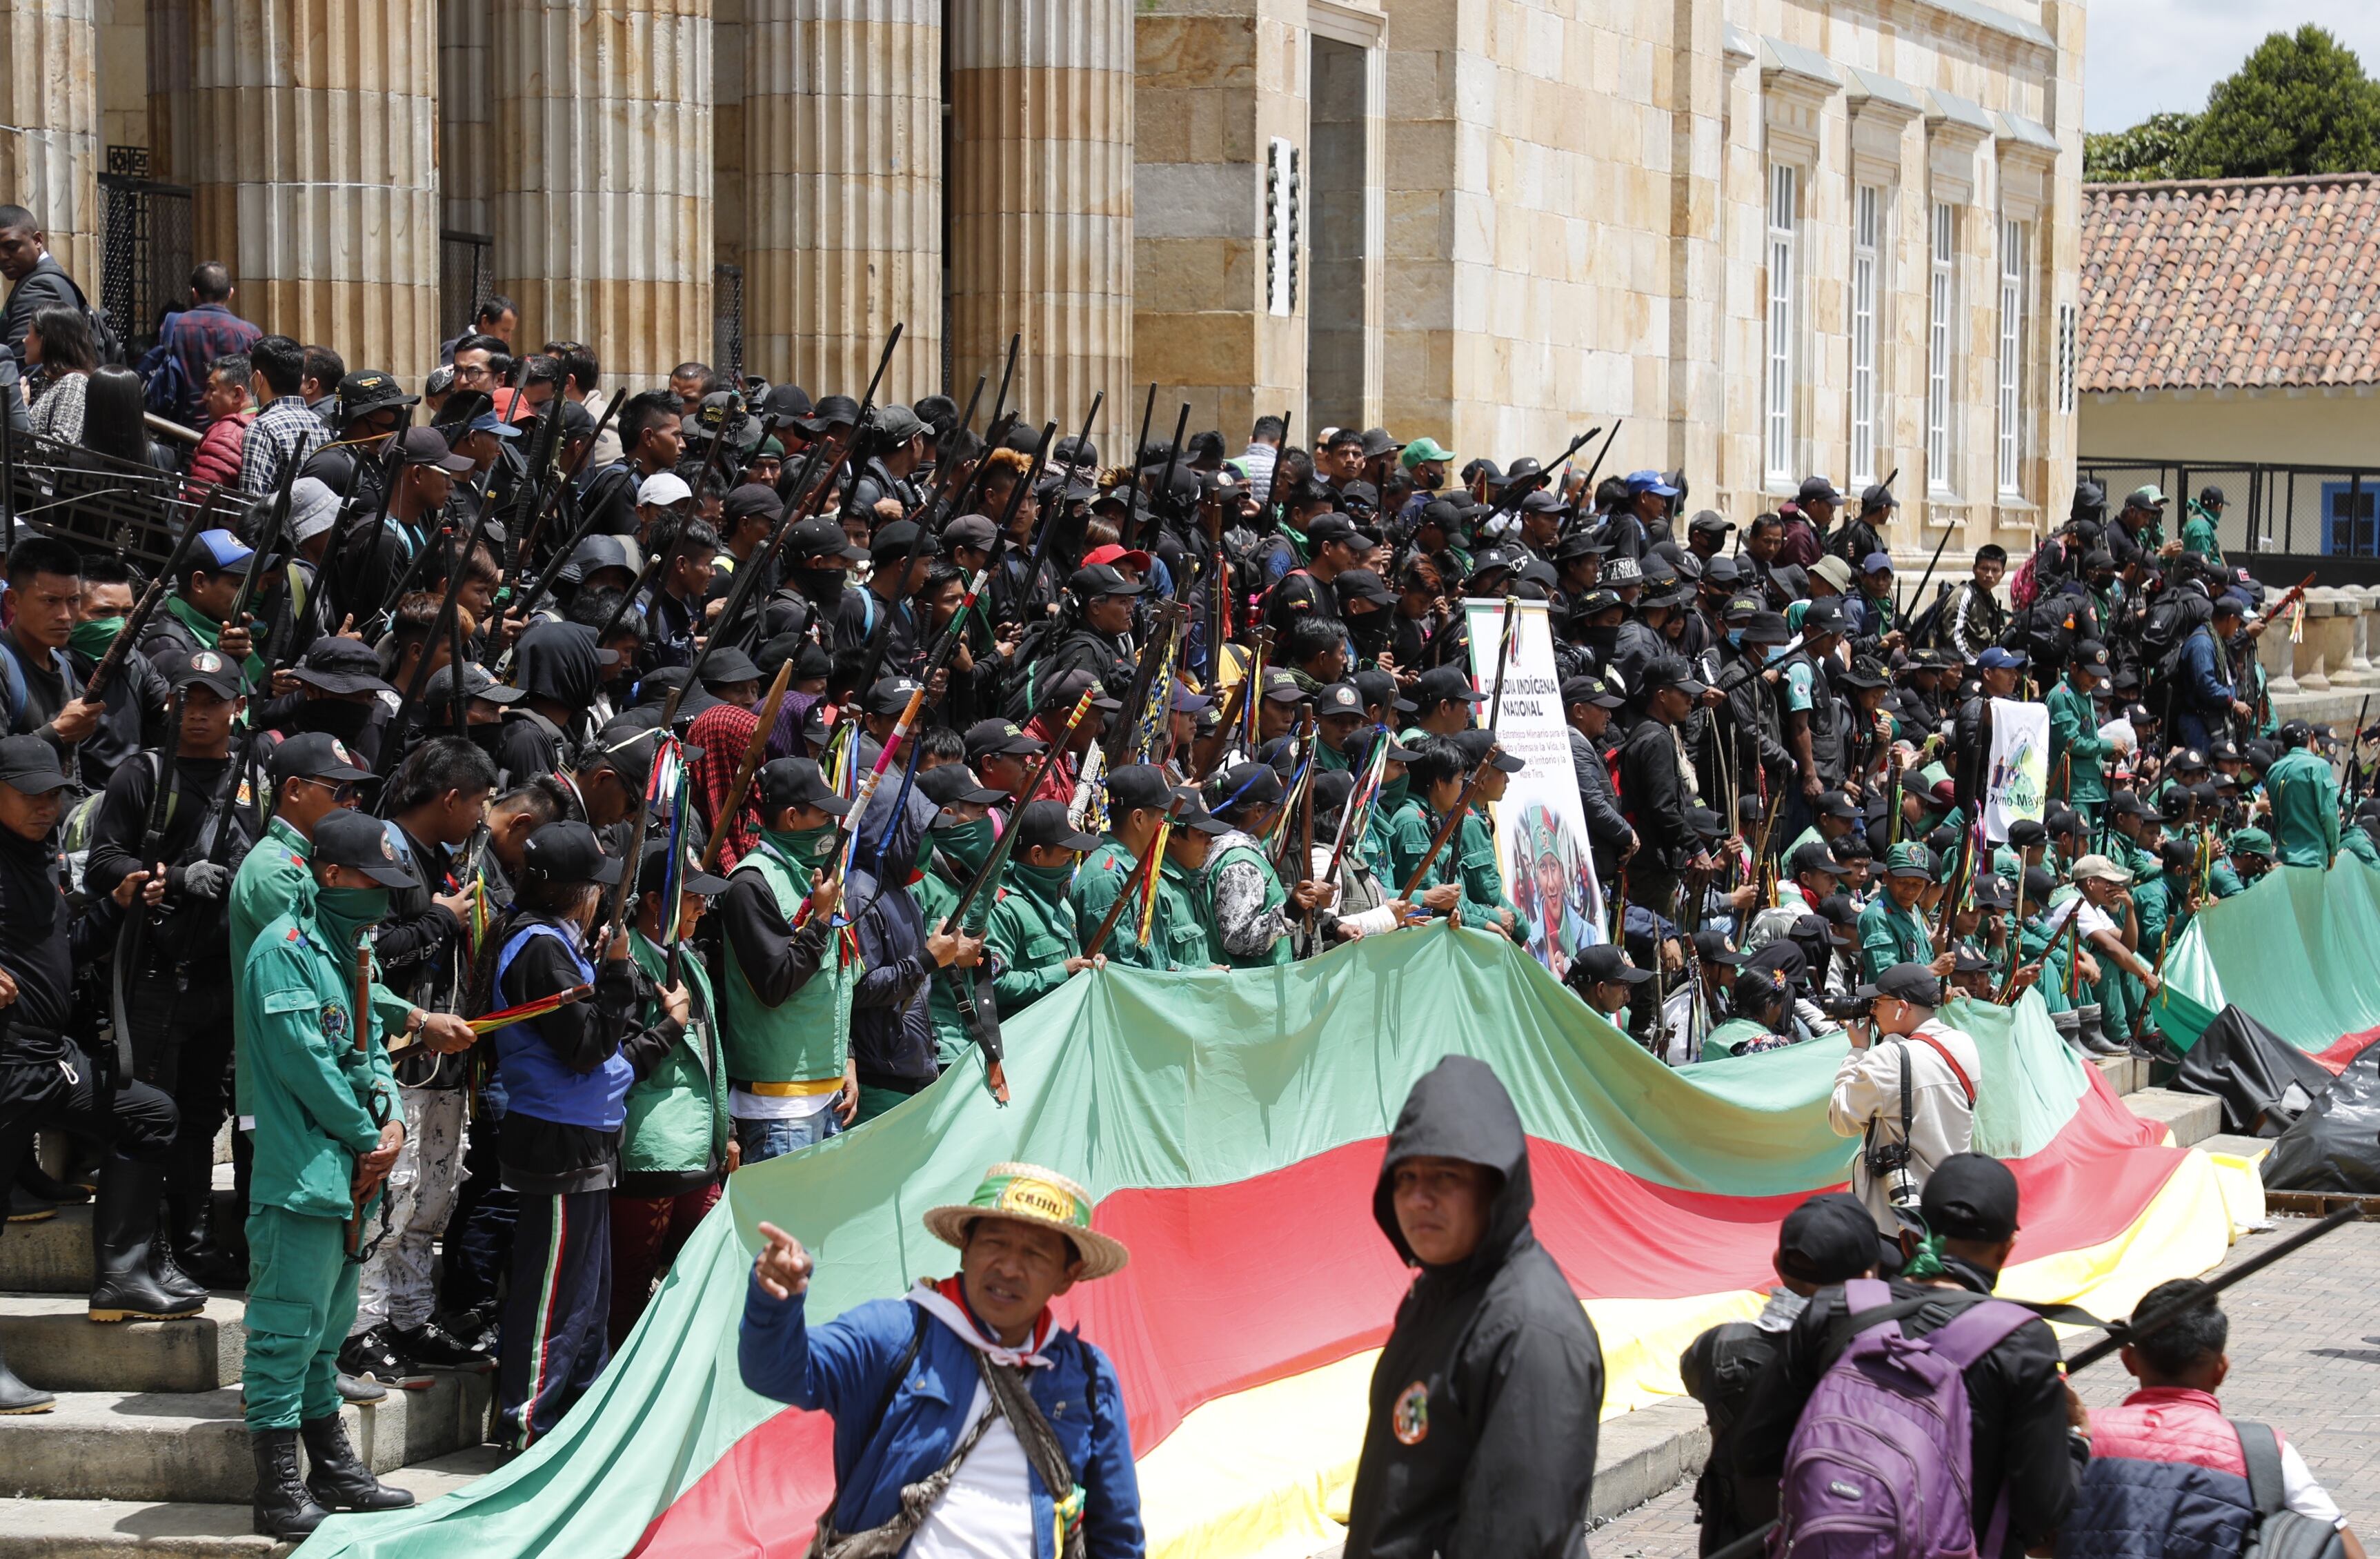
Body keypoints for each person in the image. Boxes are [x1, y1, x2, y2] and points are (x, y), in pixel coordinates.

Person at [737, 1161, 1143, 1556]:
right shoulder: (897, 1333)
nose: (1009, 1267)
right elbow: (775, 1372)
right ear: (965, 1248)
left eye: (1036, 1255)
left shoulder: (1088, 1378)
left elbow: (1117, 1533)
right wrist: (775, 1301)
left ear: (1067, 1276)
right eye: (995, 1243)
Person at [1730, 1154, 2083, 1559]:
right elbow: (2042, 1512)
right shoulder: (2023, 1343)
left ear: (1913, 1238)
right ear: (2006, 1250)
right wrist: (2076, 1440)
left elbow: (1754, 1452)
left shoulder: (1836, 1309)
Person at [238, 807, 429, 1541]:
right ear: (329, 875)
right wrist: (364, 1134)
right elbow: (303, 1063)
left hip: (354, 1170)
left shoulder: (350, 952)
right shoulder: (283, 951)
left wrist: (393, 1123)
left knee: (326, 1332)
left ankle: (332, 1468)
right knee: (285, 1332)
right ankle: (277, 1488)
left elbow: (372, 1051)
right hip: (305, 1174)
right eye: (370, 880)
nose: (382, 897)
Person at [1342, 1055, 1604, 1558]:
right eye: (1405, 1178)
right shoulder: (1438, 1296)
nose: (1418, 1198)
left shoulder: (1530, 1333)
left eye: (1445, 1176)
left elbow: (1515, 1541)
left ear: (1496, 1186)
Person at [482, 820, 643, 1452]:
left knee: (589, 1291)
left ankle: (575, 1419)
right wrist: (620, 972)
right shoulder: (538, 946)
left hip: (585, 1133)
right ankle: (527, 1426)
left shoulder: (560, 940)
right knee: (552, 1291)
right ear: (575, 892)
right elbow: (584, 1045)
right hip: (554, 1133)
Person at [2059, 1278, 2368, 1559]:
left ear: (2129, 1360)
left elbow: (2039, 1541)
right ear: (2221, 1368)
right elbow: (2349, 1550)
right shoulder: (2263, 1452)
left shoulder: (2078, 1439)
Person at [1680, 1192, 1877, 1556]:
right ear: (1869, 1276)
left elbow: (1691, 1376)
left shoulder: (1717, 1349)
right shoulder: (1889, 1358)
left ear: (1778, 1264)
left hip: (1741, 1542)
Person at [611, 840, 733, 1347]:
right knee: (631, 1280)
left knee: (713, 1266)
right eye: (692, 898)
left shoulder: (691, 960)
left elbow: (712, 1057)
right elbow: (620, 1058)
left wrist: (726, 1133)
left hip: (696, 1145)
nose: (702, 908)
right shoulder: (626, 964)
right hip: (652, 1147)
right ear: (656, 903)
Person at [720, 757, 856, 1162]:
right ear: (793, 817)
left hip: (830, 1094)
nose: (833, 826)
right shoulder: (750, 884)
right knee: (780, 1226)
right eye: (824, 814)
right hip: (780, 1109)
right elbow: (775, 983)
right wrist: (819, 920)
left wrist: (847, 1060)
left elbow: (840, 983)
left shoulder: (819, 878)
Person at [1826, 962, 1979, 1235]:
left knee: (1866, 1279)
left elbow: (1840, 1119)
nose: (1872, 1010)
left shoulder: (1889, 1059)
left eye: (1878, 1003)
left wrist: (1857, 1052)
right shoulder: (1964, 1044)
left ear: (1902, 1007)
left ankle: (1870, 1283)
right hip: (1947, 1205)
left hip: (1892, 1220)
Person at [2263, 721, 2339, 868]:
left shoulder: (2273, 770)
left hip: (2283, 858)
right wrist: (2333, 850)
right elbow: (2329, 815)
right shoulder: (2318, 766)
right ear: (2312, 738)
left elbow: (2277, 817)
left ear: (2285, 746)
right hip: (2312, 859)